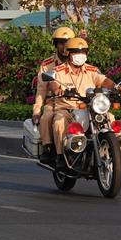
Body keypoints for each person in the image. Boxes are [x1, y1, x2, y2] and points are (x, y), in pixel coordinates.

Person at [46, 37, 121, 168]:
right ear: (68, 53)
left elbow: (104, 80)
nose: (80, 55)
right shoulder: (59, 70)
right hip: (68, 108)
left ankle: (112, 152)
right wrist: (57, 90)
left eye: (83, 52)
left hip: (90, 108)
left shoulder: (91, 70)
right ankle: (60, 156)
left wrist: (117, 87)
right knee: (59, 122)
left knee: (110, 118)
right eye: (76, 52)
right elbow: (53, 83)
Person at [34, 27, 75, 164]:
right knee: (47, 117)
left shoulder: (79, 62)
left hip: (78, 101)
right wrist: (37, 110)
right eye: (61, 43)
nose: (64, 47)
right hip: (55, 101)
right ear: (56, 45)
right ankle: (48, 148)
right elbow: (41, 90)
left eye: (67, 43)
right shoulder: (47, 65)